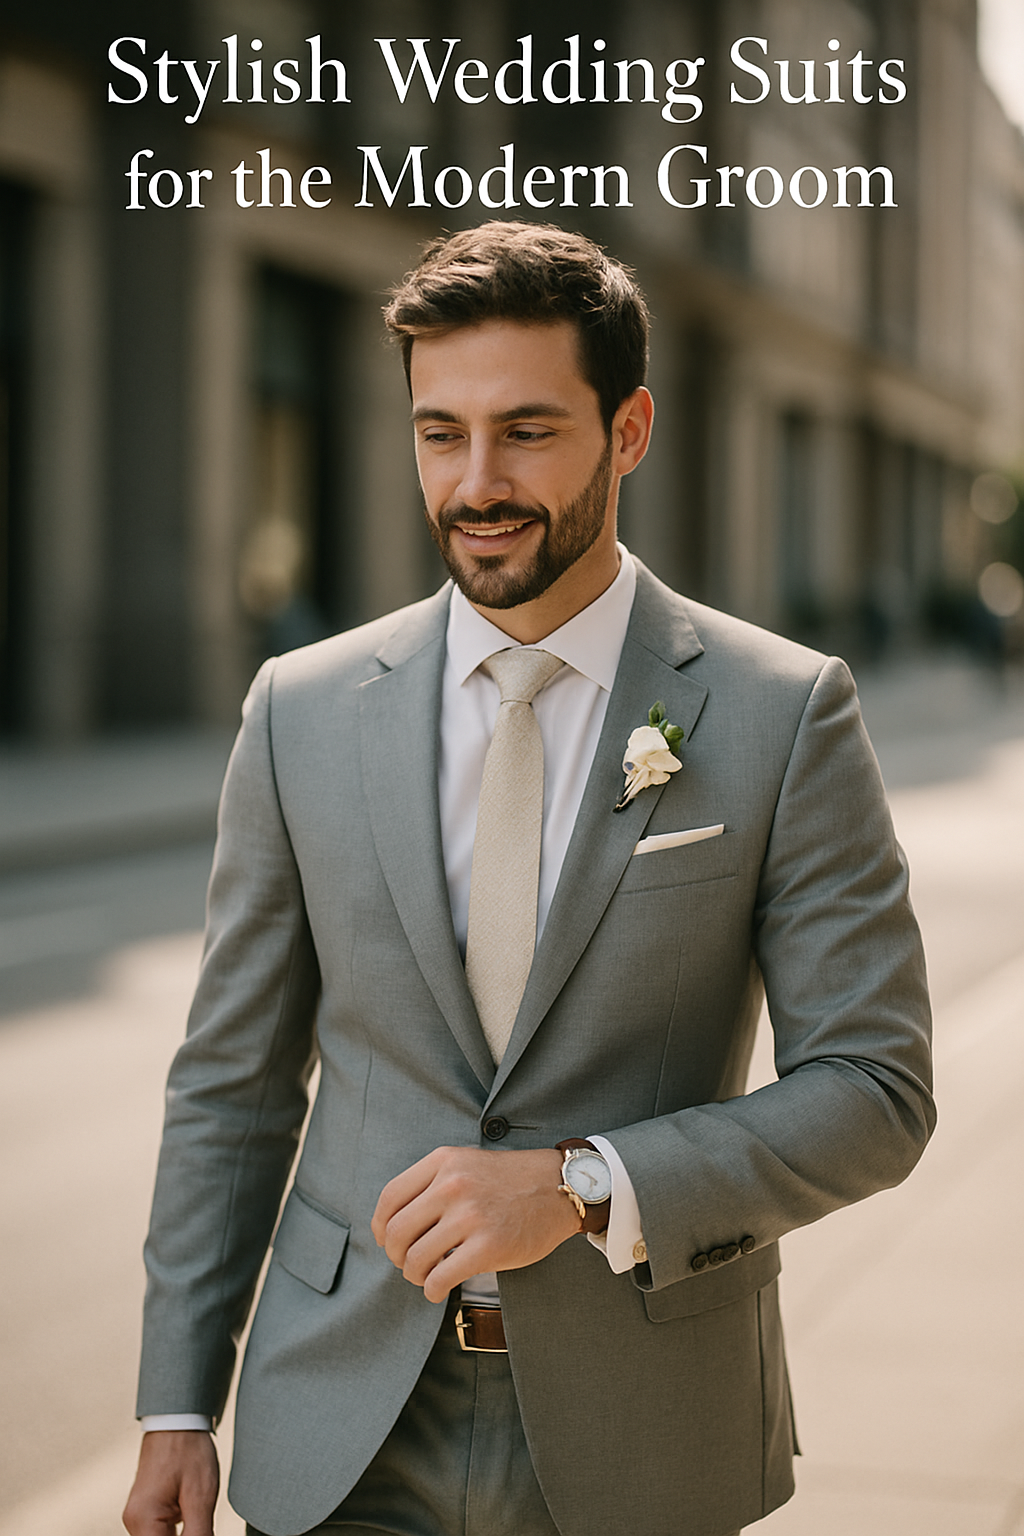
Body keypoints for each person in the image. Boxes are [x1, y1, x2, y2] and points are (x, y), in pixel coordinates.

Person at [123, 222, 934, 1536]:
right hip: (335, 1422)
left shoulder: (785, 714)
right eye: (440, 433)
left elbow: (877, 1094)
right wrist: (173, 1403)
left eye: (529, 431)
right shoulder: (300, 711)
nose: (476, 481)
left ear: (629, 431)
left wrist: (579, 1183)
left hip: (642, 1429)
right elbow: (233, 1081)